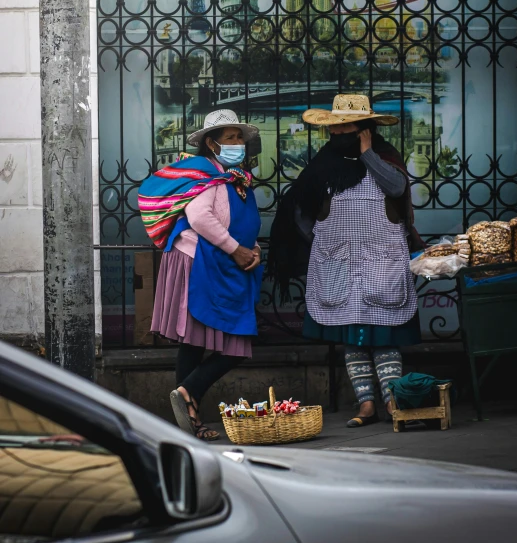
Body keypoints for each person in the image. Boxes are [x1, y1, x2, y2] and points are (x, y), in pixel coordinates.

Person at [269, 94, 424, 427]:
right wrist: (327, 245)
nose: (339, 135)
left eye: (348, 127)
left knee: (385, 338)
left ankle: (392, 401)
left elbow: (396, 189)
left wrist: (367, 154)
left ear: (364, 129)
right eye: (335, 129)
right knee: (350, 342)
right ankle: (366, 405)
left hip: (382, 266)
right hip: (339, 266)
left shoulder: (385, 159)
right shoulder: (323, 166)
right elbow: (300, 212)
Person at [138, 109, 263, 440]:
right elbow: (200, 217)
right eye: (231, 138)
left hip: (219, 261)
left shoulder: (232, 175)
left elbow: (236, 221)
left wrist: (253, 249)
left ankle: (188, 408)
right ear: (212, 143)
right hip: (197, 262)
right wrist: (236, 249)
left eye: (240, 137)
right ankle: (188, 400)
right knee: (221, 342)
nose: (239, 143)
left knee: (196, 342)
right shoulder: (206, 175)